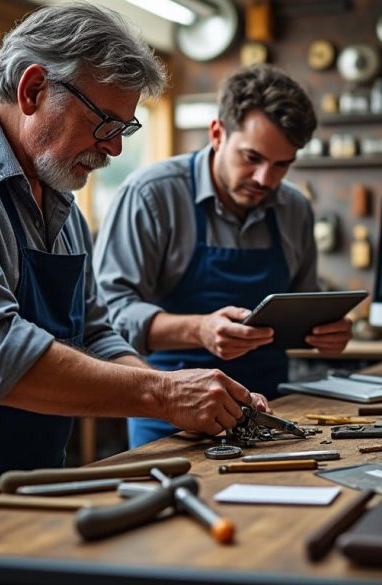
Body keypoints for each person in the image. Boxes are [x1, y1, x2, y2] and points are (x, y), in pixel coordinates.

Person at [0, 2, 267, 567]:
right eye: (105, 123)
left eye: (125, 128)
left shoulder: (65, 210)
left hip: (35, 482)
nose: (115, 147)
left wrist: (189, 400)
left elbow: (94, 332)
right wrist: (167, 393)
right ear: (33, 89)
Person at [93, 65, 352, 449]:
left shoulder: (295, 208)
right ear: (217, 134)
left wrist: (325, 332)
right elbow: (108, 315)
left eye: (282, 165)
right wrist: (197, 329)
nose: (265, 179)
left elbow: (302, 303)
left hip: (274, 416)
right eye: (252, 157)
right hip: (173, 420)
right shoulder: (152, 195)